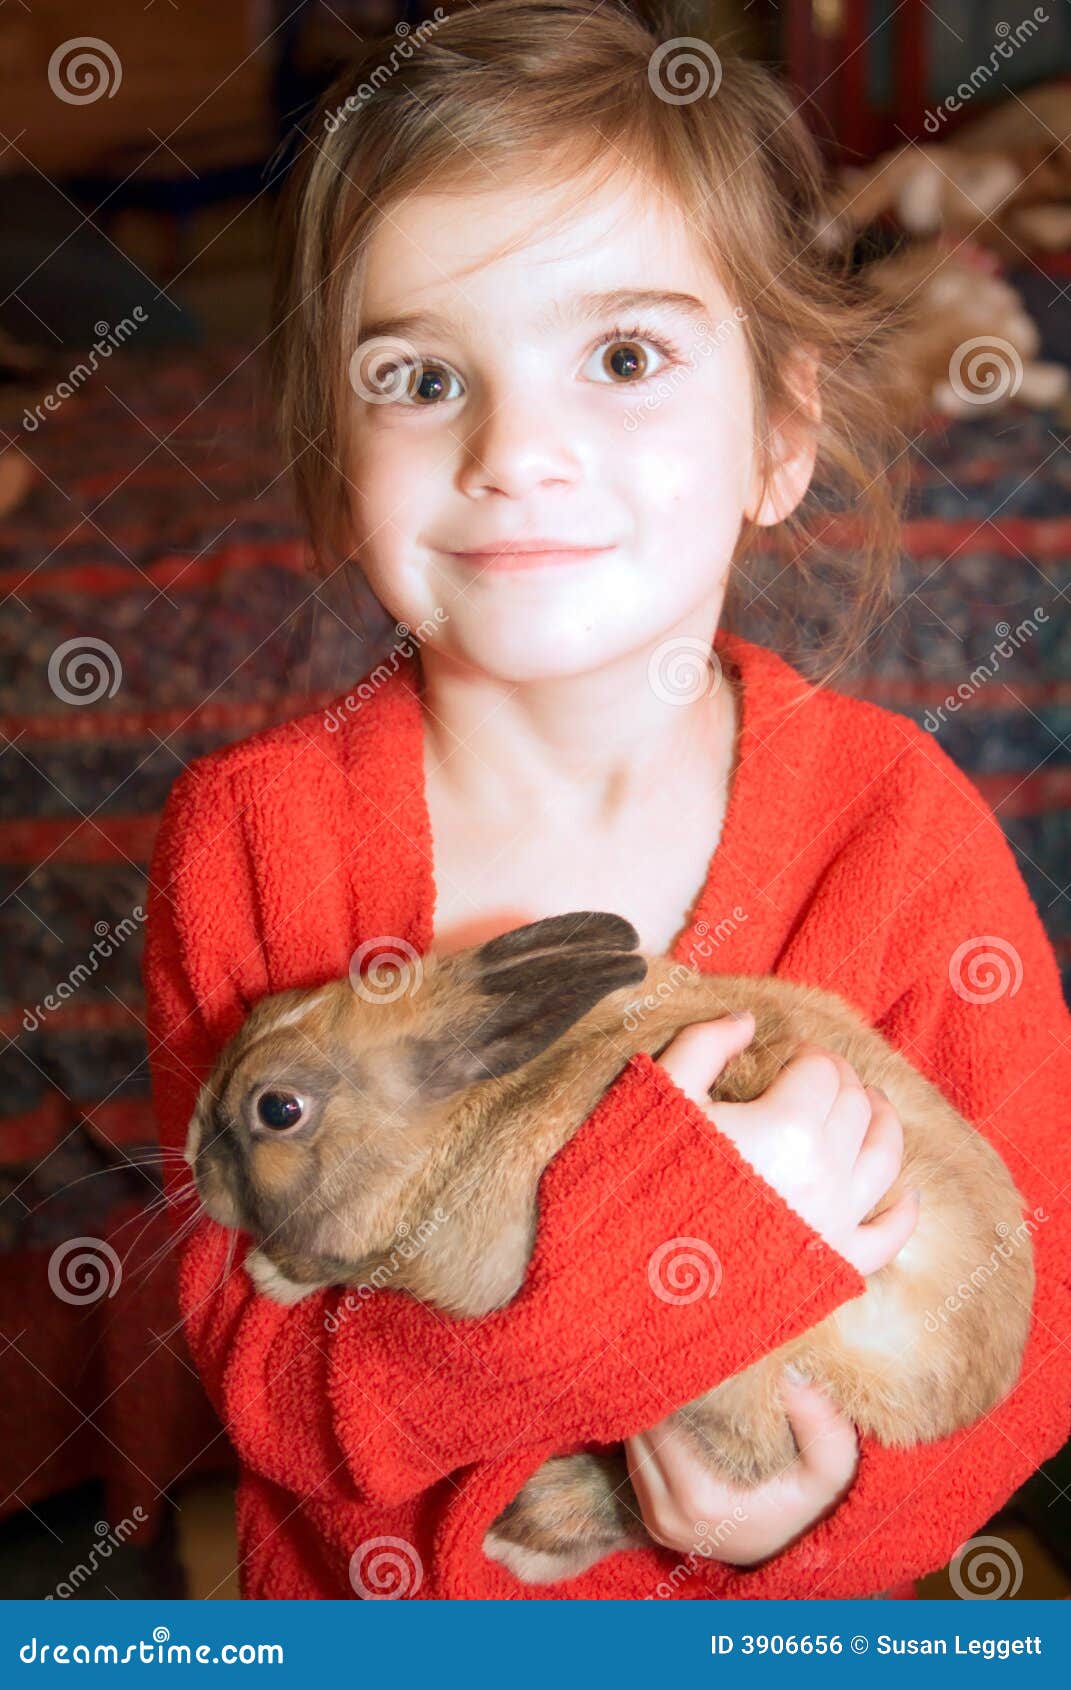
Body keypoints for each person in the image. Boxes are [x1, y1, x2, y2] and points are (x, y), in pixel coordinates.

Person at [143, 0, 1071, 1600]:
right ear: (335, 447)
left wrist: (804, 1517)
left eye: (625, 358)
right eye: (422, 376)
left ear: (780, 433)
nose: (518, 448)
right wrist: (654, 1261)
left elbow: (1033, 1321)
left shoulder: (899, 832)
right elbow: (269, 1369)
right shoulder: (249, 840)